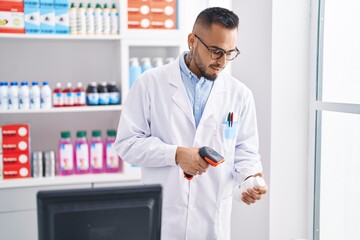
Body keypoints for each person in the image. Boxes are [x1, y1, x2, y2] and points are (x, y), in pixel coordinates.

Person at [114, 7, 268, 240]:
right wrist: (175, 155)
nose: (222, 62)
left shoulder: (240, 94)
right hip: (165, 221)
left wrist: (250, 179)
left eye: (230, 52)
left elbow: (245, 151)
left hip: (211, 222)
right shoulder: (150, 84)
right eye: (216, 52)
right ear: (192, 41)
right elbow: (126, 144)